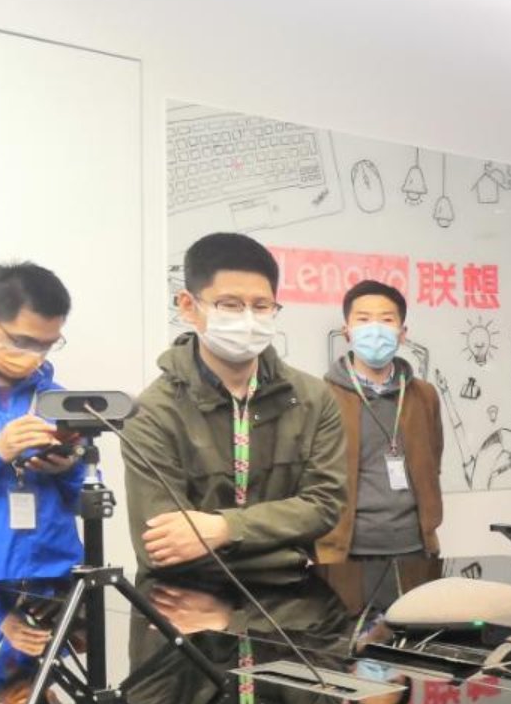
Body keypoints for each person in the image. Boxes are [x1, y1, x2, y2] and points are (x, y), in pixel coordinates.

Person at [124, 233, 346, 575]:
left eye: (261, 306)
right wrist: (285, 551)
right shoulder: (152, 412)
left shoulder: (312, 398)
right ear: (188, 306)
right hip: (188, 598)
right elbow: (162, 546)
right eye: (230, 305)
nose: (248, 319)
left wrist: (224, 529)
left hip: (291, 596)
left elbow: (324, 507)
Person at [316, 281, 443, 563]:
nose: (375, 329)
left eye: (386, 320)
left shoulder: (425, 395)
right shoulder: (320, 397)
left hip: (416, 547)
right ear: (347, 331)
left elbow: (433, 461)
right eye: (363, 319)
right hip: (345, 552)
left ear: (402, 333)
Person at [0, 263, 85, 582]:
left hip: (55, 587)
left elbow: (87, 502)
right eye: (22, 342)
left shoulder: (57, 400)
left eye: (46, 345)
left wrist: (69, 469)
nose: (35, 355)